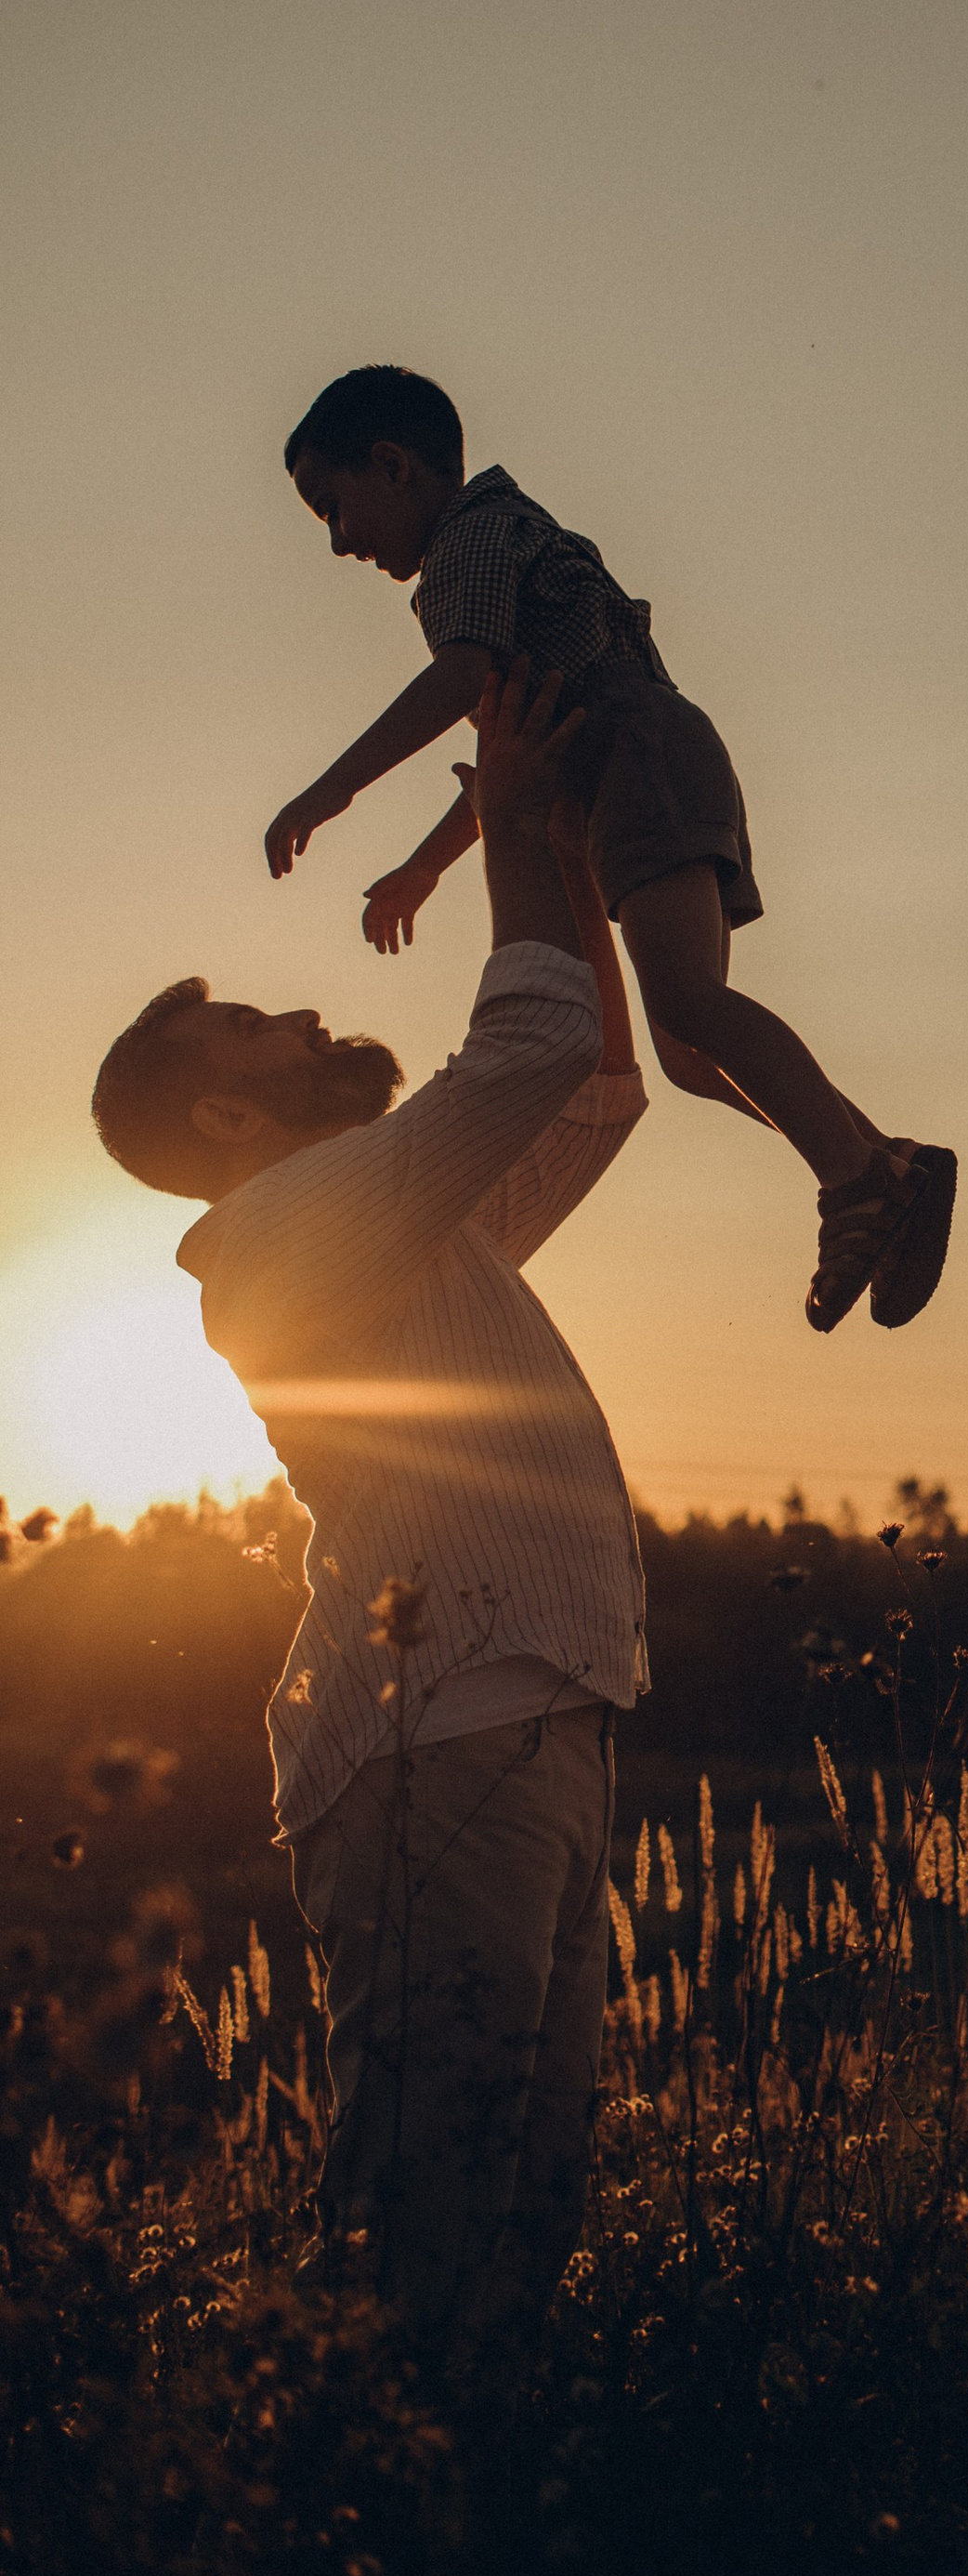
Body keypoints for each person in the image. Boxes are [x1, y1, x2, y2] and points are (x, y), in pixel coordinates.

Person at [91, 664, 648, 2346]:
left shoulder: (404, 1226)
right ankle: (373, 2538)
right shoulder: (288, 1226)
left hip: (527, 1711)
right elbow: (534, 1039)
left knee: (524, 2188)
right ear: (227, 1115)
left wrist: (559, 848)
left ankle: (459, 2521)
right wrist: (502, 824)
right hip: (430, 1742)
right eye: (256, 1029)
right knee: (430, 2192)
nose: (305, 1018)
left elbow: (595, 1083)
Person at [264, 363, 952, 1335]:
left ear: (393, 465)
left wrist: (332, 785)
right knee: (683, 1050)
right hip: (620, 775)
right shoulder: (498, 544)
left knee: (686, 1003)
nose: (339, 543)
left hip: (639, 762)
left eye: (334, 508)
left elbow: (464, 680)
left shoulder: (468, 541)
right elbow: (515, 751)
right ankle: (888, 1164)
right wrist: (427, 863)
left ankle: (857, 1183)